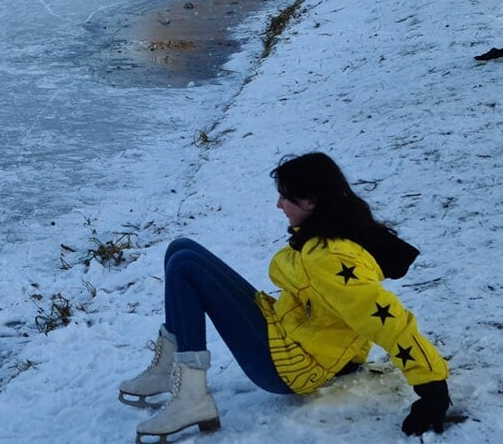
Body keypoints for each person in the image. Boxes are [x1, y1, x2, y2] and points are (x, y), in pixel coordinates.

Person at [117, 153, 450, 441]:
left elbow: (386, 319)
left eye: (285, 197)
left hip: (292, 368)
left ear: (310, 202)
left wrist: (432, 388)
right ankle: (168, 371)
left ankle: (192, 397)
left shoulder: (330, 257)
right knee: (181, 248)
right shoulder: (327, 235)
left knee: (186, 265)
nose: (279, 205)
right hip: (290, 335)